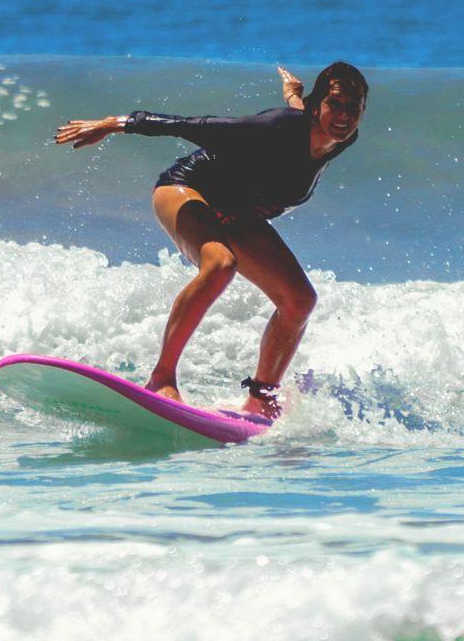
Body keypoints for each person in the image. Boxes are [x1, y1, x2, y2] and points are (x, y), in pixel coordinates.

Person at [53, 62, 369, 420]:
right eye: (336, 104)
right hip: (190, 188)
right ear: (318, 105)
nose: (344, 116)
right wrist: (114, 124)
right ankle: (161, 378)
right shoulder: (276, 127)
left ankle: (260, 397)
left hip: (238, 212)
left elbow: (304, 114)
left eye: (353, 107)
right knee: (220, 264)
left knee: (299, 301)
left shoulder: (340, 137)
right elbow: (194, 125)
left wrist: (293, 94)